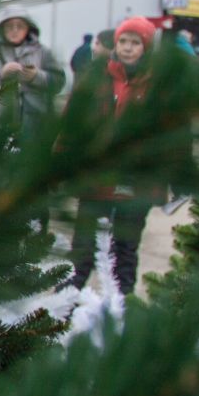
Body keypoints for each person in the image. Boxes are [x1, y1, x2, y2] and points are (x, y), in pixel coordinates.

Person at [63, 15, 163, 298]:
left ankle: (121, 300)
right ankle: (70, 293)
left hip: (136, 177)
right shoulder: (95, 77)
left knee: (125, 244)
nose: (128, 48)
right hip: (97, 174)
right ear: (115, 44)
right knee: (84, 239)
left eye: (135, 42)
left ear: (146, 47)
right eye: (123, 41)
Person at [0, 11, 64, 143]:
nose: (15, 30)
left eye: (20, 26)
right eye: (9, 26)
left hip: (38, 122)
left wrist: (36, 76)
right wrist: (2, 75)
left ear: (28, 29)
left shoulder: (43, 52)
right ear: (2, 30)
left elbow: (59, 82)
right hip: (4, 122)